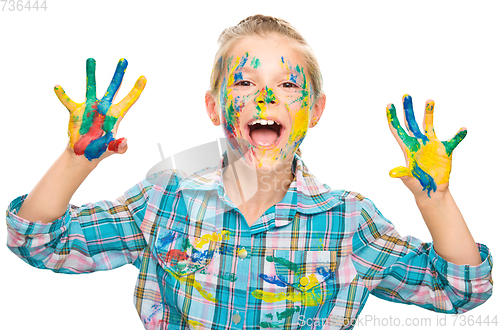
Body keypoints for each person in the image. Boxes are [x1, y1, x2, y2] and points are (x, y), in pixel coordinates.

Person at [5, 14, 493, 330]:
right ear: (214, 108)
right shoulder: (165, 200)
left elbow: (461, 290)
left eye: (286, 84)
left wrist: (436, 201)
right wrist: (76, 160)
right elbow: (37, 241)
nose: (265, 99)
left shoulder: (348, 221)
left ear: (315, 110)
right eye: (244, 81)